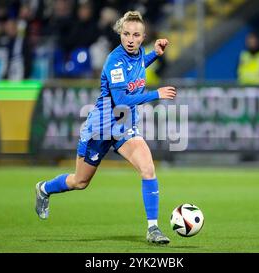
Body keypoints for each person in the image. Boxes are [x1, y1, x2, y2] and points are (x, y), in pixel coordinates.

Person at [35, 10, 177, 244]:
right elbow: (121, 101)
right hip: (100, 129)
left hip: (124, 128)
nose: (130, 39)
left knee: (148, 169)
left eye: (136, 35)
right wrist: (156, 93)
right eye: (126, 34)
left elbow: (140, 63)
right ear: (120, 33)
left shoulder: (139, 53)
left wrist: (156, 54)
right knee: (80, 182)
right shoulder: (115, 61)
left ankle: (153, 229)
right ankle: (44, 188)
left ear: (143, 37)